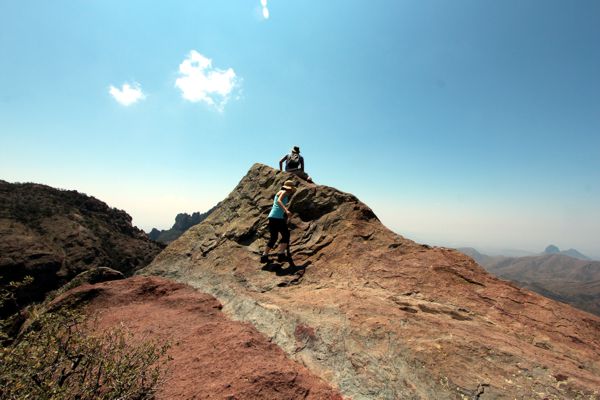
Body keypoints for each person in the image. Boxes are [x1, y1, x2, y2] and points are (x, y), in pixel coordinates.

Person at [260, 180, 297, 263]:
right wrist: (286, 211)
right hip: (277, 218)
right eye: (291, 189)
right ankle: (281, 254)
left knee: (273, 237)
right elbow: (279, 201)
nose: (291, 191)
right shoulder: (283, 192)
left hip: (272, 217)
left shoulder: (282, 193)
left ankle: (264, 256)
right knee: (286, 235)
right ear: (289, 188)